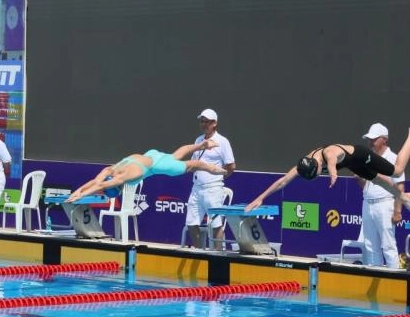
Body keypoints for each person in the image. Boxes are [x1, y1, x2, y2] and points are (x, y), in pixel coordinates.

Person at [244, 132, 410, 212]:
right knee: (380, 182)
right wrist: (260, 198)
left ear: (317, 166)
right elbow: (282, 182)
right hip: (352, 165)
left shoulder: (328, 153)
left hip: (359, 155)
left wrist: (333, 174)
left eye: (317, 174)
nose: (318, 176)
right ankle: (403, 197)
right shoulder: (303, 165)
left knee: (397, 171)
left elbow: (331, 162)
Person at [65, 140, 226, 204]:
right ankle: (201, 146)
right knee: (175, 155)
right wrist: (78, 192)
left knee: (195, 164)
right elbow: (96, 182)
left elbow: (100, 185)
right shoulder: (111, 169)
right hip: (151, 155)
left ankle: (218, 170)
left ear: (118, 188)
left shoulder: (123, 177)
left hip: (158, 165)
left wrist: (82, 195)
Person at [185, 108, 235, 249]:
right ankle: (199, 252)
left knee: (216, 224)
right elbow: (194, 162)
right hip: (196, 188)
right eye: (202, 121)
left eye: (207, 121)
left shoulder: (223, 141)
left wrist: (218, 178)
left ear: (214, 123)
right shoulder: (198, 140)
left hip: (213, 189)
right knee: (191, 223)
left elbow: (231, 165)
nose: (204, 124)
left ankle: (218, 254)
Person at [358, 123, 404, 268]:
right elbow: (366, 186)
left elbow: (399, 186)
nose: (370, 142)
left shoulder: (394, 159)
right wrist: (359, 178)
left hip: (385, 204)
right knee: (370, 246)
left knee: (388, 245)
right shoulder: (368, 158)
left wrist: (397, 211)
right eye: (369, 139)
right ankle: (375, 275)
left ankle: (394, 277)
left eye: (374, 139)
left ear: (384, 139)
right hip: (367, 204)